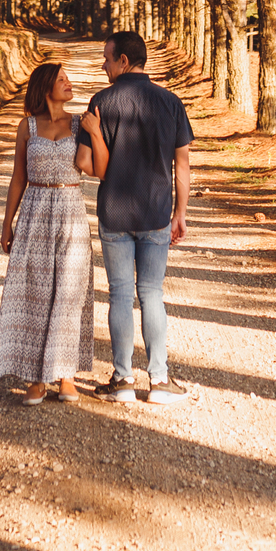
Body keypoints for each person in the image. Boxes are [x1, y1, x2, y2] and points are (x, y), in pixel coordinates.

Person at [75, 29, 193, 405]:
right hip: (157, 212)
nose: (104, 65)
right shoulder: (171, 102)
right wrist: (180, 214)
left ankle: (123, 379)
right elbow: (182, 165)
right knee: (152, 295)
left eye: (107, 59)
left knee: (121, 295)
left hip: (114, 212)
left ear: (123, 61)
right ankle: (159, 381)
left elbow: (83, 164)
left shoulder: (100, 102)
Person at [0, 60, 105, 405]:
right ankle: (37, 378)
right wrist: (6, 222)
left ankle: (66, 375)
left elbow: (97, 168)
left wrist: (96, 132)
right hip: (35, 211)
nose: (69, 84)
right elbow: (17, 178)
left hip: (71, 208)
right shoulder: (26, 127)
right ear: (45, 88)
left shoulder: (79, 123)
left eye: (68, 79)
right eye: (62, 80)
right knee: (35, 294)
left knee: (69, 292)